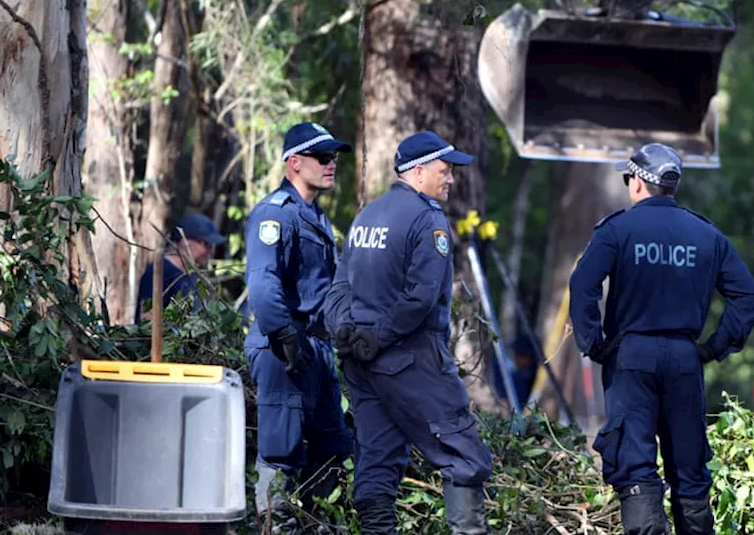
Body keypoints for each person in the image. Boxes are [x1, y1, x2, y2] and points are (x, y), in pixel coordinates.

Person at [567, 142, 754, 535]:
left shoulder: (617, 229)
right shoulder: (706, 234)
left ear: (638, 182)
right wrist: (713, 347)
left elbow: (583, 284)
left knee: (636, 464)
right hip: (684, 360)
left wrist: (593, 343)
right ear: (672, 187)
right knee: (689, 469)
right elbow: (747, 296)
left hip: (631, 357)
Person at [324, 130, 494, 535]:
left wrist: (347, 330)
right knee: (464, 455)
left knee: (377, 461)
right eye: (444, 170)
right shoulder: (428, 219)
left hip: (361, 365)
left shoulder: (366, 216)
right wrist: (379, 336)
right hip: (411, 359)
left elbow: (339, 287)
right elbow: (419, 298)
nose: (450, 179)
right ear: (418, 172)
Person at [243, 122, 355, 532]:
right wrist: (283, 334)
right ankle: (274, 526)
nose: (332, 165)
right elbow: (262, 281)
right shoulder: (276, 214)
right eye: (323, 158)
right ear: (294, 163)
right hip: (281, 347)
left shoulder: (317, 218)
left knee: (334, 446)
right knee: (281, 448)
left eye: (334, 158)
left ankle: (317, 525)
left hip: (316, 349)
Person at [134, 212, 225, 322]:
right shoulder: (160, 271)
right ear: (184, 241)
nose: (209, 250)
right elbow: (147, 318)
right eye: (204, 243)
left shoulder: (191, 274)